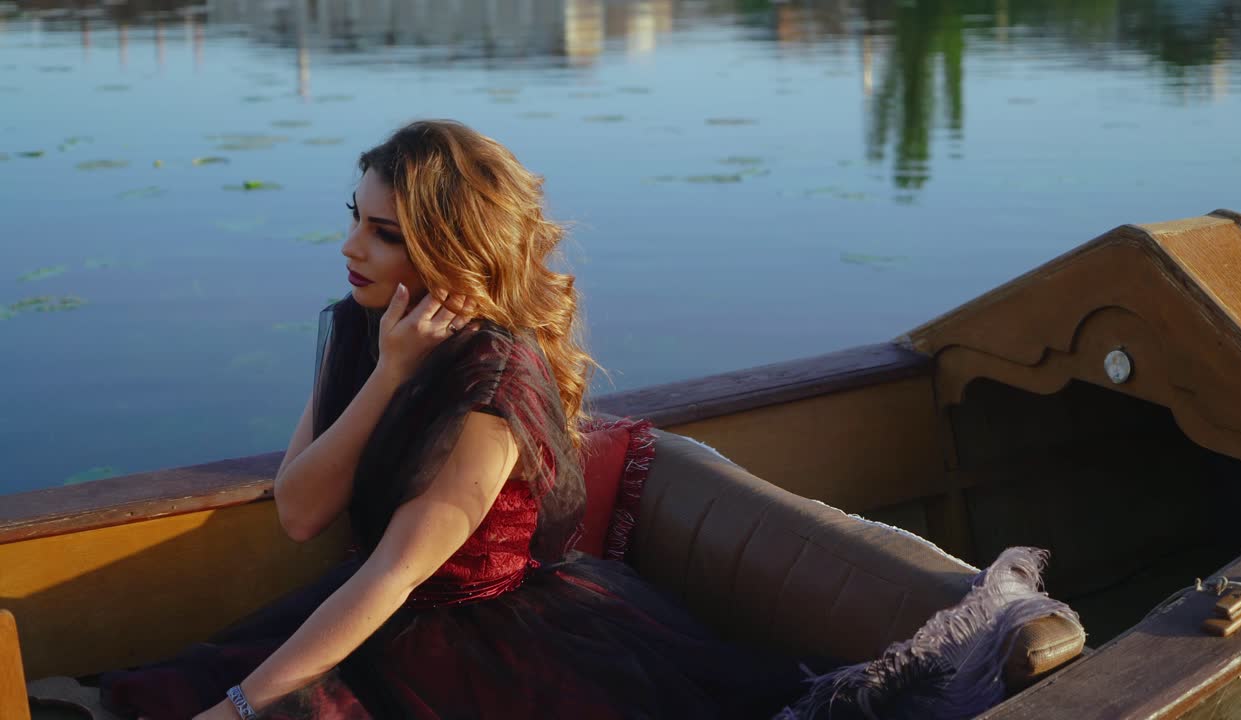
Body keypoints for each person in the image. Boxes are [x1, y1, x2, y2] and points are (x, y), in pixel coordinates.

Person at [99, 120, 810, 719]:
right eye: (354, 218)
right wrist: (389, 372)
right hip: (369, 610)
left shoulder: (495, 377)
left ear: (453, 250)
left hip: (487, 643)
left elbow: (396, 572)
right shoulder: (368, 323)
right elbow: (300, 512)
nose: (350, 247)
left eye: (383, 233)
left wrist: (240, 711)